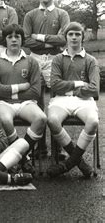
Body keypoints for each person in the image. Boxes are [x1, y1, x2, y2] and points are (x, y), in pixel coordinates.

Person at [0, 24, 47, 174]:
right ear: (5, 40)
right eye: (10, 37)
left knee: (41, 118)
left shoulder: (31, 61)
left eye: (17, 37)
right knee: (5, 120)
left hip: (26, 103)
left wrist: (7, 91)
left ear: (22, 40)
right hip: (3, 103)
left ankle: (22, 156)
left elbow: (35, 91)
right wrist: (20, 87)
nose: (14, 40)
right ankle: (24, 160)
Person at [46, 23, 97, 178]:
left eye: (77, 34)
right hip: (61, 100)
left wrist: (69, 88)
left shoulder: (90, 60)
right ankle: (81, 163)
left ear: (83, 37)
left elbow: (94, 89)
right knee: (52, 120)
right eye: (70, 34)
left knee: (93, 122)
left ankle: (69, 163)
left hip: (84, 101)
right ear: (66, 37)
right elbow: (54, 85)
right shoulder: (57, 59)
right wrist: (79, 84)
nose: (74, 37)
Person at [23, 0, 70, 88]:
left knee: (56, 90)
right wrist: (51, 42)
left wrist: (39, 37)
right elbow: (26, 40)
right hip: (35, 57)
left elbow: (64, 39)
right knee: (35, 92)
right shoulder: (30, 15)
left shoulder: (62, 14)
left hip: (54, 57)